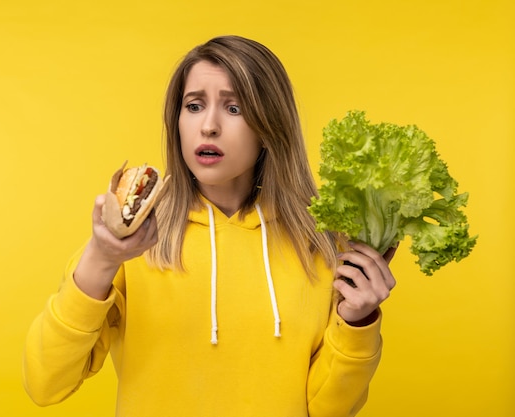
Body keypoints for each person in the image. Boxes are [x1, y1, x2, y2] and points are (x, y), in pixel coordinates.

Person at [22, 35, 397, 417]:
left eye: (234, 108)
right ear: (177, 121)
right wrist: (100, 260)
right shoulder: (134, 243)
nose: (209, 126)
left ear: (269, 127)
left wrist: (358, 320)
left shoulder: (318, 247)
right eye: (194, 106)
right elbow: (46, 382)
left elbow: (326, 410)